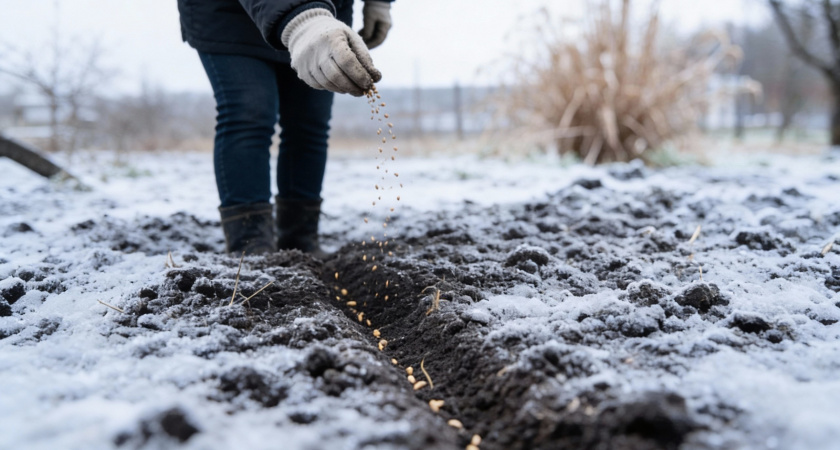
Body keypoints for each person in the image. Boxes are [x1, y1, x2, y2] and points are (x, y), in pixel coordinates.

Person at [177, 0, 394, 256]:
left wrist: (379, 1)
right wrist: (301, 18)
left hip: (324, 13)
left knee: (309, 120)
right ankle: (250, 244)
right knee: (249, 112)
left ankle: (300, 241)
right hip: (230, 16)